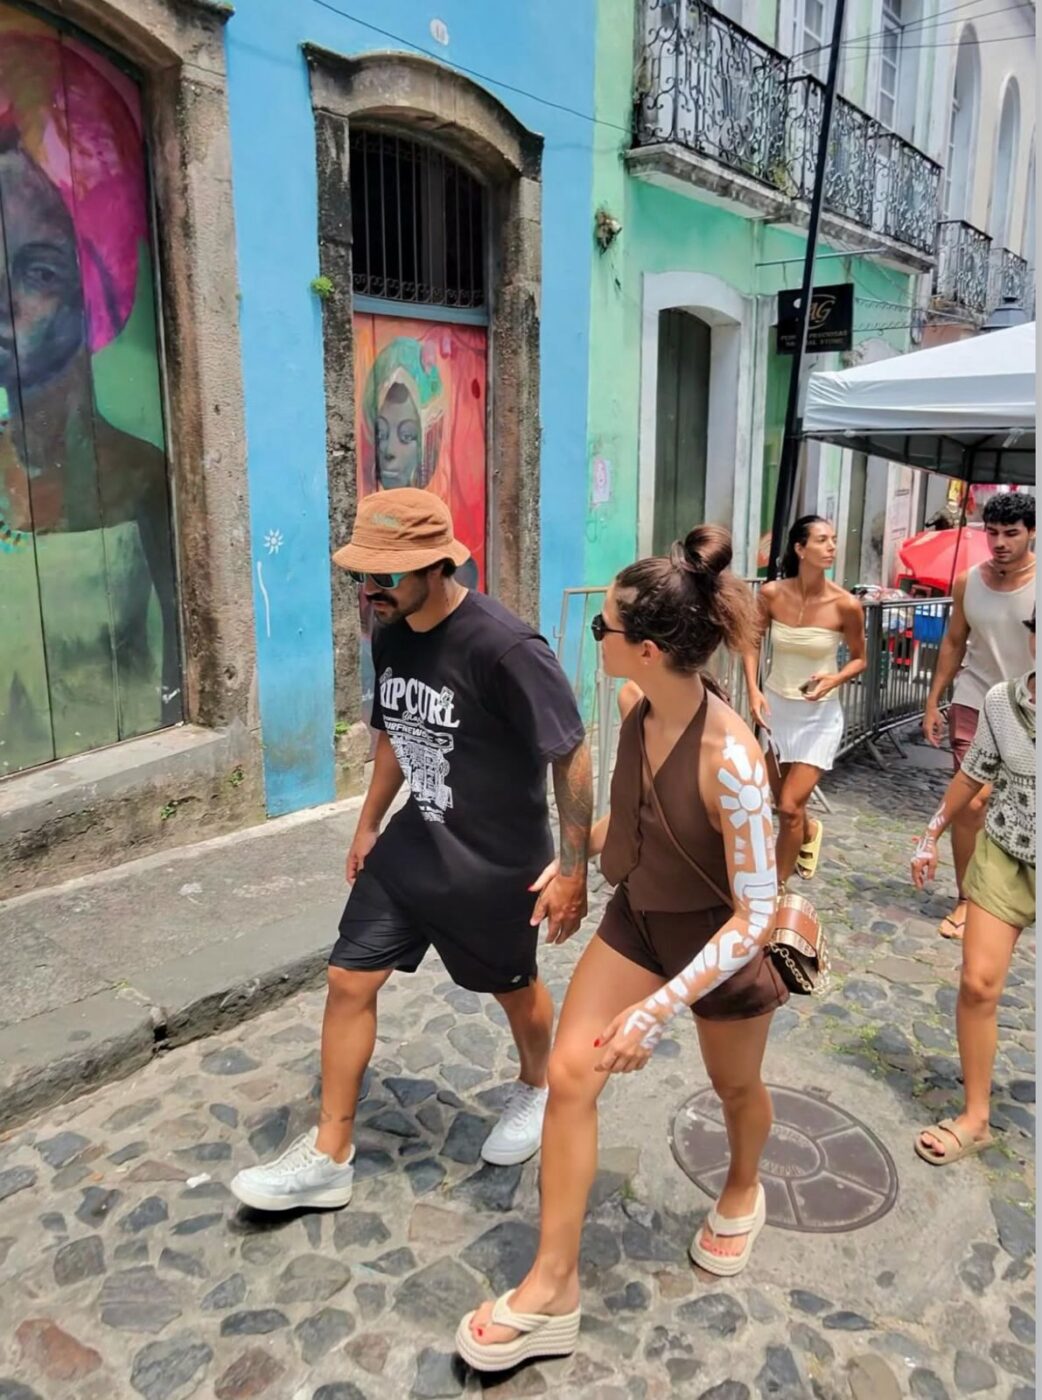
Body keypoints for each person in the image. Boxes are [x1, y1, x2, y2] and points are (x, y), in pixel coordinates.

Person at [455, 525, 786, 1374]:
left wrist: (657, 1009)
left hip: (715, 945)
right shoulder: (637, 704)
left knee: (735, 1086)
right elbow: (635, 813)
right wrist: (575, 864)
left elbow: (755, 913)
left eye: (603, 627)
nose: (593, 637)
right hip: (640, 920)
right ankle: (552, 1286)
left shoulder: (733, 762)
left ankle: (743, 1186)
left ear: (645, 649)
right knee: (571, 1076)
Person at [231, 489, 592, 1210]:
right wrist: (368, 822)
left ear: (437, 565)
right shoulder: (390, 630)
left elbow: (571, 752)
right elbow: (396, 731)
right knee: (347, 978)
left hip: (495, 865)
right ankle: (330, 1154)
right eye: (362, 576)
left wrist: (575, 871)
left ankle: (538, 1085)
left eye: (387, 575)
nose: (371, 590)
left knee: (513, 987)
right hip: (414, 846)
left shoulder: (506, 648)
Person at [911, 610, 1035, 1165]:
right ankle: (977, 1118)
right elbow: (973, 773)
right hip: (1006, 850)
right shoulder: (1003, 703)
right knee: (978, 984)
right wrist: (931, 833)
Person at [922, 492, 1036, 940]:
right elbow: (954, 641)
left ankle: (1010, 889)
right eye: (993, 533)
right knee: (972, 801)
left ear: (1031, 533)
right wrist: (934, 700)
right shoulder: (968, 581)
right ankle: (968, 898)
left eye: (1011, 533)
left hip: (1028, 706)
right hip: (975, 701)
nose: (1000, 542)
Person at [743, 516, 866, 886]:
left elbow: (860, 659)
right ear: (800, 548)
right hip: (776, 709)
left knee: (788, 807)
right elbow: (751, 642)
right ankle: (809, 832)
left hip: (819, 717)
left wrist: (835, 678)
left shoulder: (846, 605)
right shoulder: (771, 594)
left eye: (834, 539)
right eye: (822, 540)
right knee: (779, 799)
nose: (831, 547)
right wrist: (753, 690)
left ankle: (776, 889)